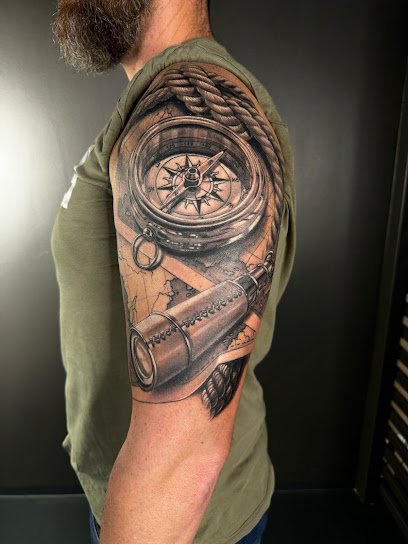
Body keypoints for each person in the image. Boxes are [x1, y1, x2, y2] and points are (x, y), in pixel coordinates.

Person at [51, 1, 296, 543]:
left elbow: (180, 459)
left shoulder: (198, 103)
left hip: (182, 524)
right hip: (126, 498)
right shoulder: (158, 100)